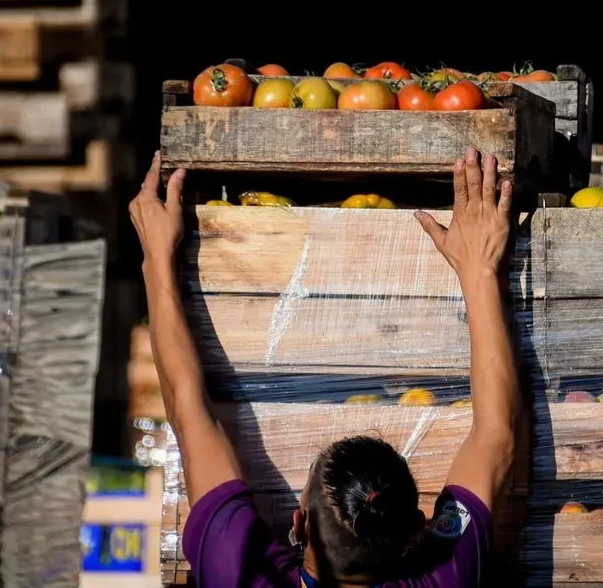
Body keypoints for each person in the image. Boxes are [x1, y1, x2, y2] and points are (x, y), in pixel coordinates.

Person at [129, 146, 520, 587]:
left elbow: (187, 406)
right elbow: (496, 433)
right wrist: (480, 270)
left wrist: (156, 257)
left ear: (298, 524)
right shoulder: (233, 573)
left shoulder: (235, 566)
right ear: (417, 526)